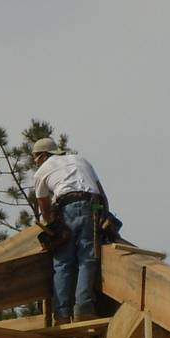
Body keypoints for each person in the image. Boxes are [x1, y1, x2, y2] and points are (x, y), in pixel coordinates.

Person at [32, 137, 108, 325]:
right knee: (87, 258)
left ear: (43, 156)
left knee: (63, 262)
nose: (37, 163)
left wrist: (56, 229)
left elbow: (44, 207)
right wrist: (103, 218)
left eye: (36, 159)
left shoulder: (42, 171)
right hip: (92, 206)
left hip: (66, 208)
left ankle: (62, 315)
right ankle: (83, 308)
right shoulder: (81, 160)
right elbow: (102, 194)